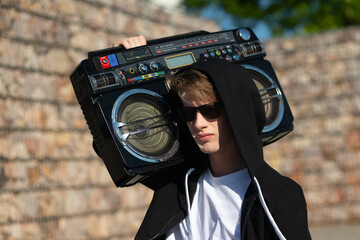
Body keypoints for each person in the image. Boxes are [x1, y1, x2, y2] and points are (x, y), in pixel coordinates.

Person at [115, 36, 312, 240]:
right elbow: (114, 147)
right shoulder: (177, 184)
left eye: (210, 110)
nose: (198, 123)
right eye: (188, 113)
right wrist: (129, 61)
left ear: (237, 111)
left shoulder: (278, 194)